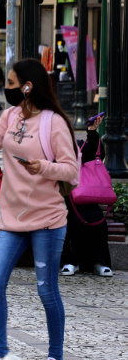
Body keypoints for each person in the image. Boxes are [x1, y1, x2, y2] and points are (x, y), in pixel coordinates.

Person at [0, 58, 79, 360]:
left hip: (47, 219)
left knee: (46, 289)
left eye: (12, 82)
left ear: (28, 86)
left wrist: (41, 167)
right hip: (11, 219)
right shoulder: (10, 115)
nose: (7, 87)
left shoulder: (53, 122)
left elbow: (70, 170)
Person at [60, 116, 113, 277]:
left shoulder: (78, 146)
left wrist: (92, 132)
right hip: (63, 199)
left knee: (97, 220)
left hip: (85, 197)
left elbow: (97, 156)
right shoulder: (50, 148)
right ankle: (70, 261)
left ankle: (100, 262)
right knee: (68, 221)